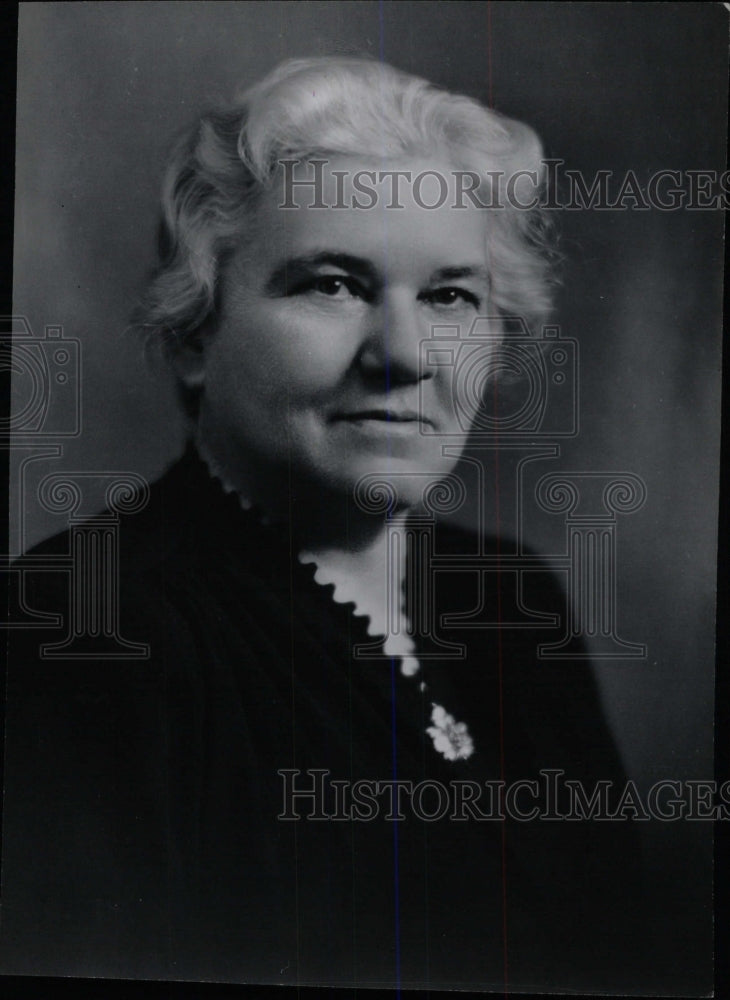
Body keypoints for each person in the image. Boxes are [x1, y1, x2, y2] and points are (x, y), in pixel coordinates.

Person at [2, 57, 645, 991]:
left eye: (449, 296)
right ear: (193, 333)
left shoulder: (514, 600)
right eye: (334, 284)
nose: (403, 357)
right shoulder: (78, 629)